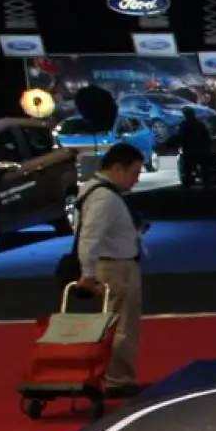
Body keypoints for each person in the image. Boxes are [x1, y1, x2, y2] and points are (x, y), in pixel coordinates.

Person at [77, 143, 149, 396]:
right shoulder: (104, 197)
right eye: (134, 173)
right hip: (116, 268)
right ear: (117, 168)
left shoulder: (97, 192)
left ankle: (117, 375)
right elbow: (89, 237)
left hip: (116, 264)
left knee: (119, 323)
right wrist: (87, 274)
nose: (136, 179)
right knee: (122, 325)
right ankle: (119, 379)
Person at [176, 107, 213, 188]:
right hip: (201, 149)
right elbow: (207, 137)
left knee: (188, 167)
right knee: (203, 167)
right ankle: (206, 183)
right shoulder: (200, 124)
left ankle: (188, 183)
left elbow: (180, 137)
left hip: (189, 149)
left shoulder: (184, 124)